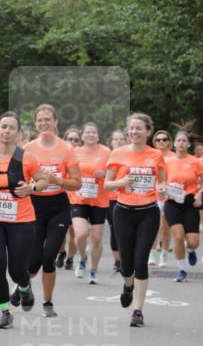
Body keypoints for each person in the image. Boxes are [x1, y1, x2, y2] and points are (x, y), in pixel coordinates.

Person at [0, 112, 48, 328]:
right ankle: (6, 312)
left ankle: (24, 287)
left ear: (18, 133)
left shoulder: (27, 158)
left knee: (16, 269)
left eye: (11, 128)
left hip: (22, 222)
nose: (6, 131)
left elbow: (44, 181)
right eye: (3, 126)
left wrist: (31, 188)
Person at [104, 112, 167, 327]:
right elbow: (107, 184)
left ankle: (138, 310)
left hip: (148, 212)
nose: (134, 131)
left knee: (141, 261)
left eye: (139, 128)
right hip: (123, 212)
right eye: (131, 128)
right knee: (127, 264)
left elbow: (162, 181)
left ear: (148, 131)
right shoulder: (118, 153)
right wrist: (122, 181)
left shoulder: (156, 155)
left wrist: (162, 188)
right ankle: (128, 286)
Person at [25, 105, 81, 316]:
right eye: (40, 120)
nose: (44, 124)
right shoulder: (28, 148)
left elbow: (77, 183)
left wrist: (59, 180)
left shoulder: (66, 149)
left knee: (49, 257)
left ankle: (47, 303)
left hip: (58, 206)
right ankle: (23, 285)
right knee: (32, 263)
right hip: (34, 206)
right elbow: (21, 176)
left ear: (56, 121)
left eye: (48, 119)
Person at [69, 122, 110, 285]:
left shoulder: (106, 152)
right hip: (79, 198)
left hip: (99, 200)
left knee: (97, 239)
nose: (91, 135)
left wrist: (105, 174)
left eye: (94, 132)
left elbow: (114, 173)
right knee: (80, 235)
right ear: (83, 135)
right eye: (87, 132)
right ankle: (83, 257)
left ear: (98, 135)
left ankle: (93, 270)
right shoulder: (75, 152)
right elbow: (67, 171)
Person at [163, 130, 203, 282]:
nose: (181, 143)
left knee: (193, 241)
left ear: (188, 144)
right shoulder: (167, 161)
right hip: (172, 202)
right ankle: (182, 269)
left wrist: (200, 194)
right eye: (178, 140)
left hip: (190, 202)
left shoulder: (195, 162)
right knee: (178, 237)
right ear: (174, 143)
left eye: (184, 141)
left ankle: (191, 250)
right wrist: (162, 190)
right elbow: (160, 180)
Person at [56, 126, 82, 271]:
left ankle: (71, 258)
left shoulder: (83, 156)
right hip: (61, 197)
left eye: (76, 140)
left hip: (77, 198)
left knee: (74, 232)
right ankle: (61, 252)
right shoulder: (59, 155)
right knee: (60, 231)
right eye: (70, 139)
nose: (73, 142)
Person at [150, 130, 175, 267]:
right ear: (154, 142)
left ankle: (164, 255)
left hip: (167, 195)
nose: (161, 142)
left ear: (169, 142)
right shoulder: (150, 156)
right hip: (152, 194)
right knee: (153, 225)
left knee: (165, 227)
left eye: (164, 139)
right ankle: (152, 254)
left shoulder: (173, 157)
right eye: (158, 140)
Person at [107, 128, 127, 273]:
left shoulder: (130, 156)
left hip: (127, 198)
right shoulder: (107, 156)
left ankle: (126, 258)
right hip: (111, 198)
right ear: (111, 142)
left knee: (126, 229)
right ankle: (117, 261)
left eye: (121, 139)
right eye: (116, 139)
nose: (119, 141)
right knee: (114, 229)